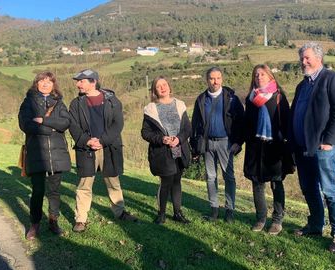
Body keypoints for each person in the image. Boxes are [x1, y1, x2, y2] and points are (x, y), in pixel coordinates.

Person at [290, 41, 335, 252]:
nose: (303, 62)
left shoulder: (332, 79)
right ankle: (316, 225)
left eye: (307, 58)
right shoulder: (302, 85)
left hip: (323, 147)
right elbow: (294, 114)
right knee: (309, 188)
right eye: (301, 58)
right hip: (302, 147)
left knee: (329, 189)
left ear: (319, 58)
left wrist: (329, 141)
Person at [69, 69, 137, 232]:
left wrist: (102, 141)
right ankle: (81, 219)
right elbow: (73, 126)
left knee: (113, 182)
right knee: (84, 184)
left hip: (109, 147)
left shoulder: (112, 101)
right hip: (86, 149)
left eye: (81, 81)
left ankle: (119, 212)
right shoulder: (76, 104)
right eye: (78, 81)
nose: (78, 84)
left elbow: (117, 124)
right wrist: (87, 141)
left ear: (93, 82)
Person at [18, 71, 71, 240]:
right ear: (36, 83)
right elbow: (26, 125)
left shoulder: (60, 103)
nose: (46, 84)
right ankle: (35, 224)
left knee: (54, 191)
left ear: (54, 85)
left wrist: (44, 121)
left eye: (49, 81)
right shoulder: (28, 102)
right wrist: (51, 129)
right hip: (37, 153)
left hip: (57, 153)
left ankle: (53, 220)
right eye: (42, 81)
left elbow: (65, 123)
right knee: (38, 191)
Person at [243, 64, 293, 235]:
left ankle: (277, 220)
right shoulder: (250, 99)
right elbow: (247, 123)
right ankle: (261, 218)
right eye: (256, 75)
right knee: (257, 184)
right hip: (256, 148)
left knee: (276, 183)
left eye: (263, 74)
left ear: (270, 76)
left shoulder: (278, 96)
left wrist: (285, 143)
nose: (259, 77)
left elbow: (286, 122)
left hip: (274, 148)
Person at [190, 67, 244, 222]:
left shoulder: (231, 98)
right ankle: (213, 209)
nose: (215, 81)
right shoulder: (201, 99)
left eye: (218, 78)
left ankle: (229, 211)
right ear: (207, 80)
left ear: (222, 79)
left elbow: (241, 122)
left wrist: (238, 142)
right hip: (207, 144)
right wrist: (195, 146)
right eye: (212, 78)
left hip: (226, 143)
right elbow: (195, 124)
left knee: (229, 177)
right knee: (210, 177)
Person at [141, 76, 191, 225]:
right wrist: (162, 139)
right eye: (158, 86)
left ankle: (177, 213)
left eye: (164, 84)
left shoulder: (180, 105)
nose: (162, 87)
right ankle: (161, 214)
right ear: (155, 91)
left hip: (179, 149)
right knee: (166, 181)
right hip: (162, 152)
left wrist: (179, 139)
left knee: (177, 180)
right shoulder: (150, 109)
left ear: (169, 87)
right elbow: (145, 133)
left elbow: (187, 128)